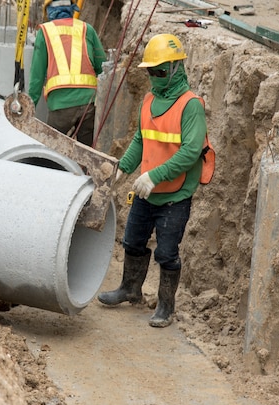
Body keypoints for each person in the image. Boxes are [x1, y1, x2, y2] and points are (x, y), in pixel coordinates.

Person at [97, 33, 215, 328]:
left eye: (160, 71)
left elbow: (190, 152)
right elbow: (141, 139)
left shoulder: (191, 106)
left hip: (174, 196)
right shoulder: (149, 100)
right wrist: (122, 169)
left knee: (166, 252)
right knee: (133, 241)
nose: (155, 77)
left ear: (176, 68)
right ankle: (130, 289)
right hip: (147, 191)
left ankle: (165, 305)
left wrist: (155, 176)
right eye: (151, 71)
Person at [28, 0, 106, 148]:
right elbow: (102, 66)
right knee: (87, 153)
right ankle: (84, 171)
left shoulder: (44, 32)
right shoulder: (86, 29)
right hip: (89, 103)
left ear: (49, 10)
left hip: (60, 105)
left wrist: (29, 106)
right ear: (71, 8)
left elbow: (36, 77)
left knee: (53, 153)